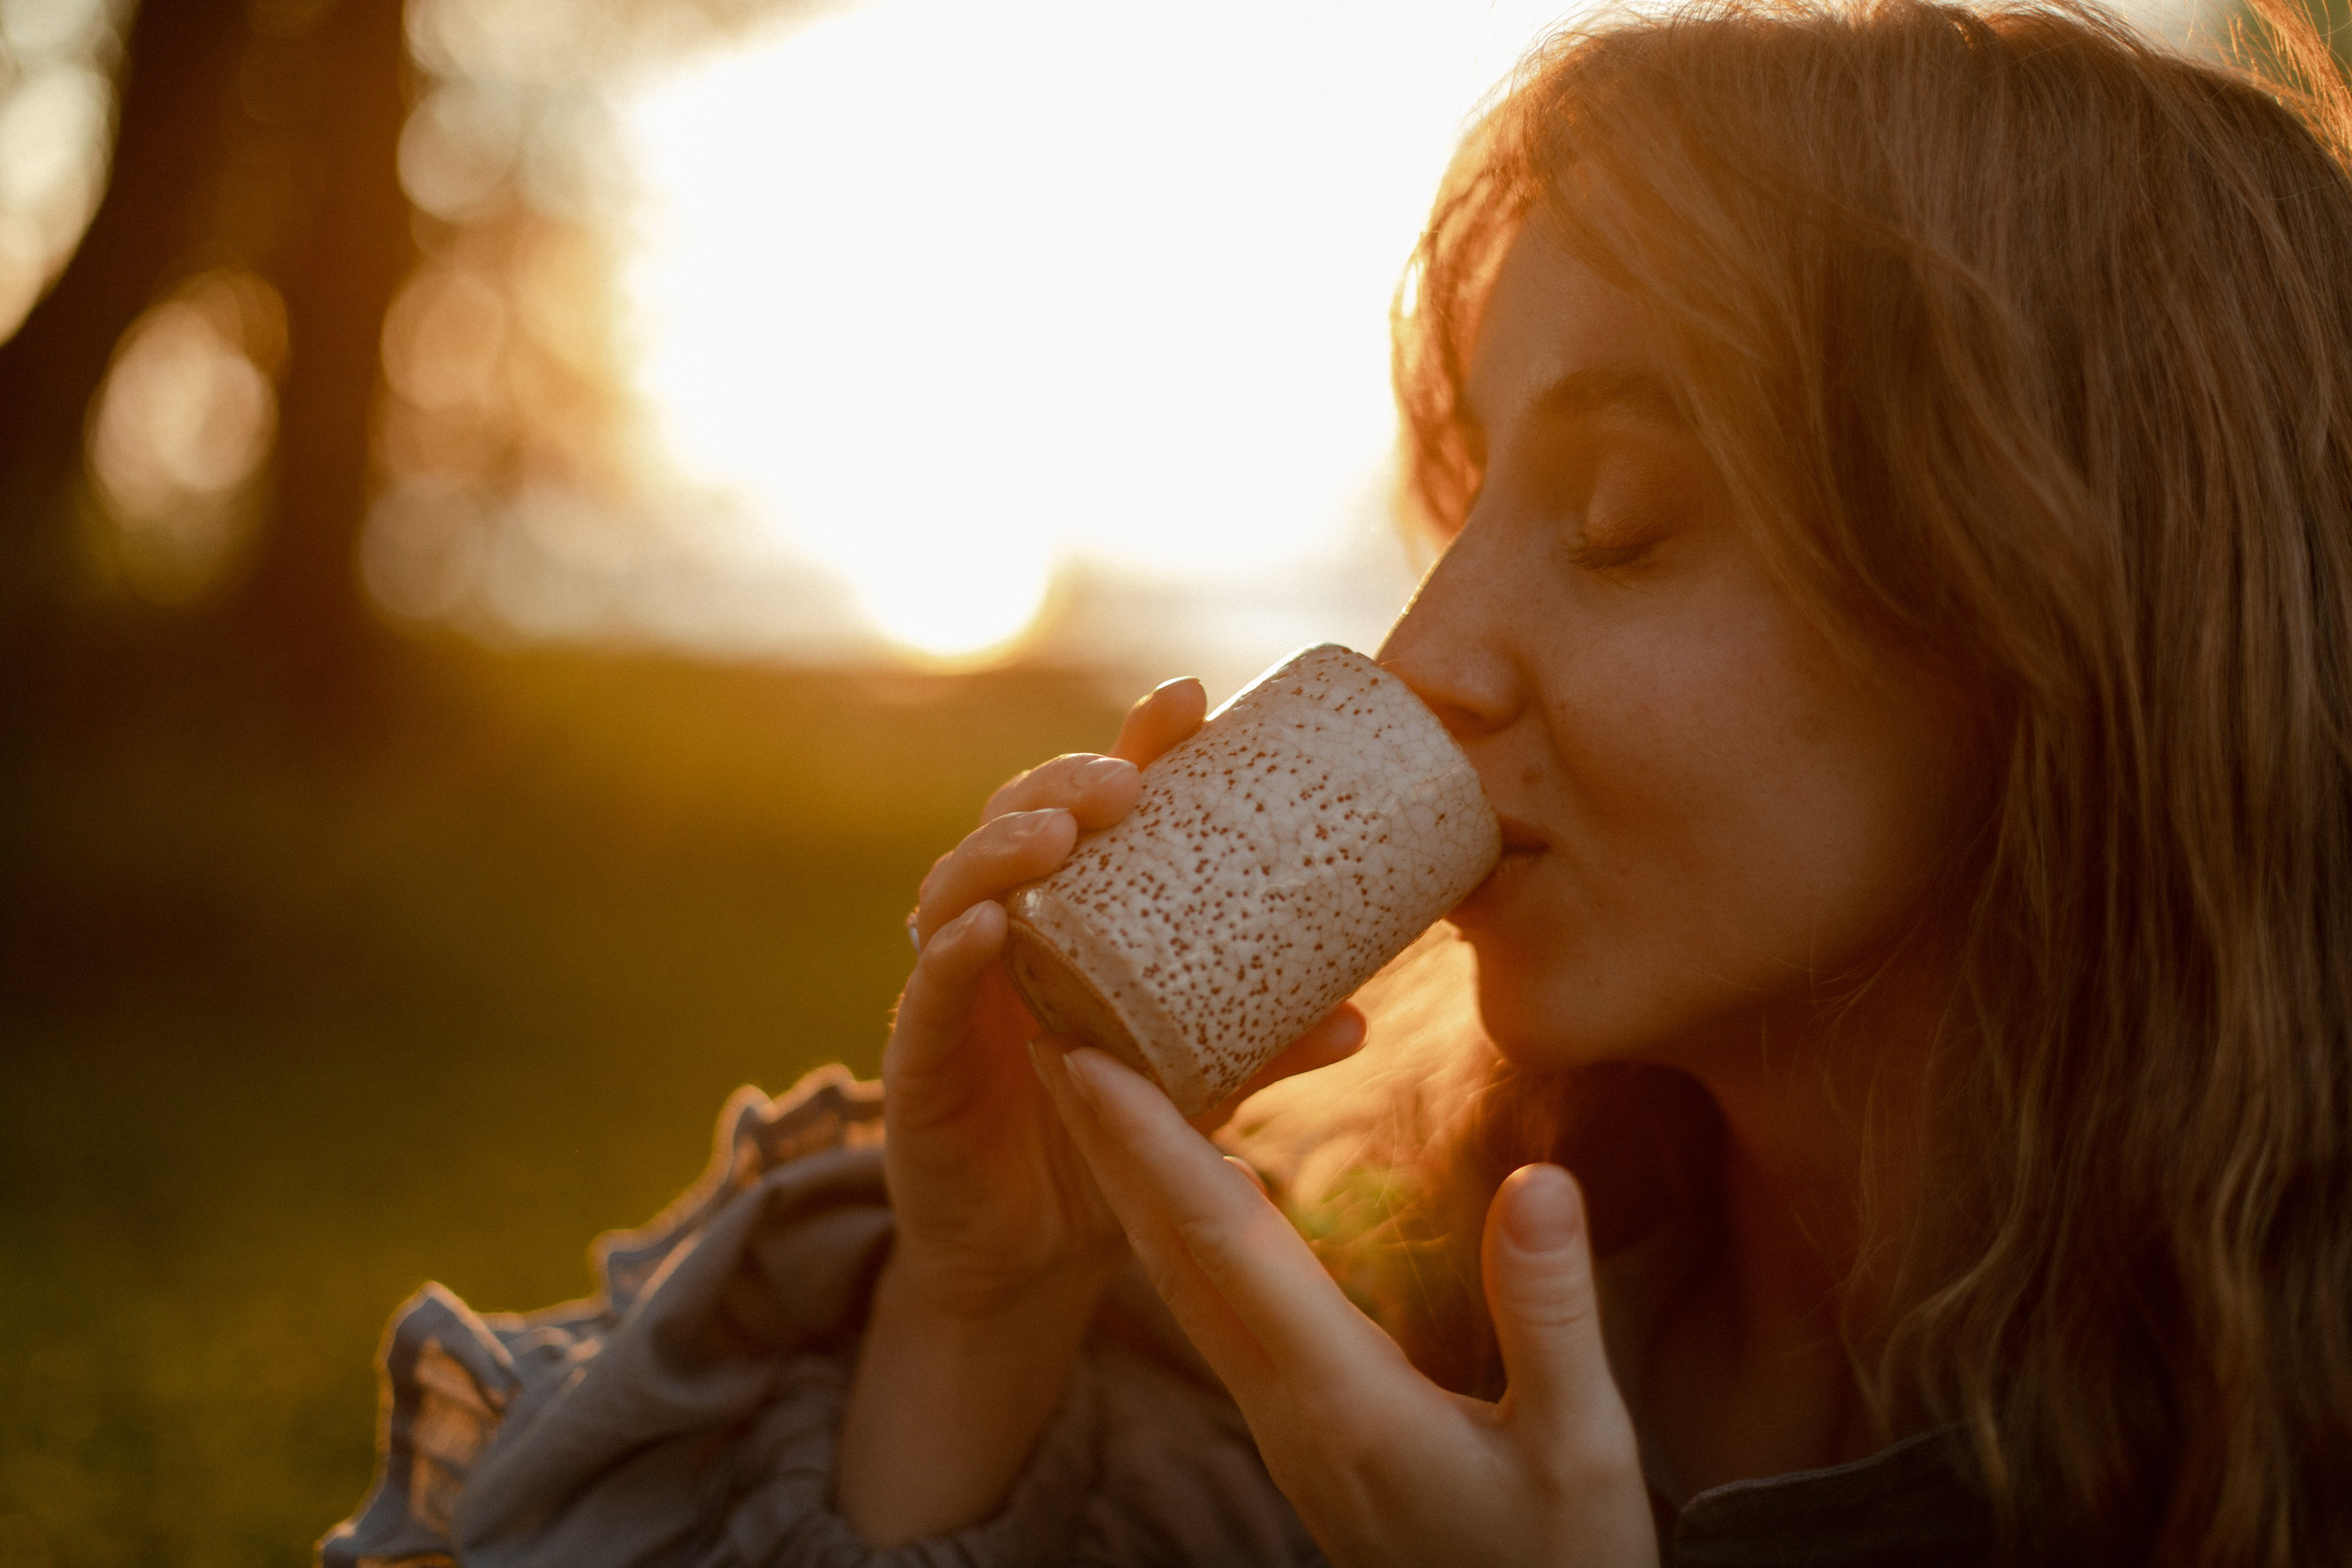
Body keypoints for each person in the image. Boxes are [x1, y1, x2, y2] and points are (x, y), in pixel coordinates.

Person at [321, 0, 2352, 1562]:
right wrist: (992, 1304)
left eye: (1624, 517)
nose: (1413, 665)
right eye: (1462, 512)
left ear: (2068, 620)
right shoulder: (1363, 1303)